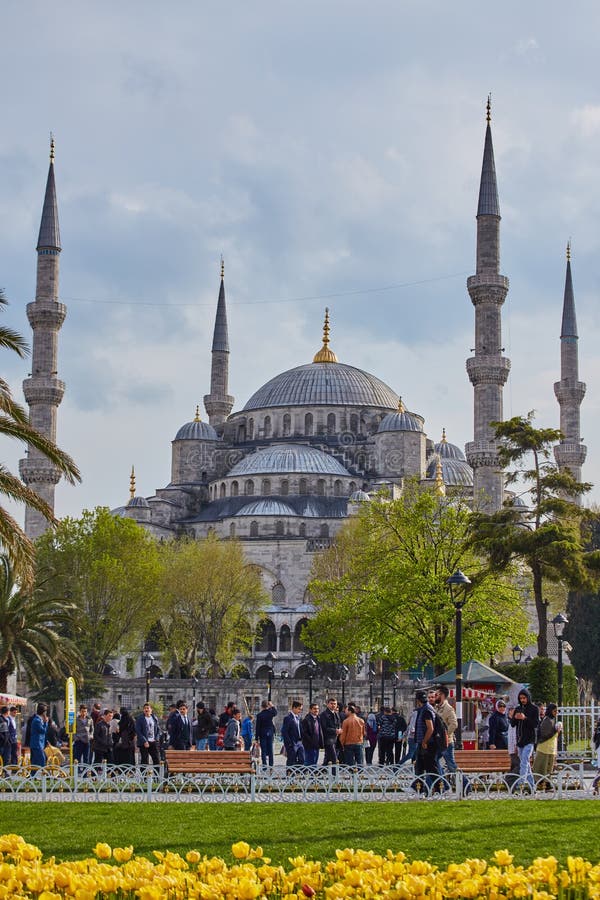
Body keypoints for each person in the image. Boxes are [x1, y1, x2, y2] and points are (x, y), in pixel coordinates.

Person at [509, 688, 540, 791]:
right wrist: (514, 717)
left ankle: (520, 785)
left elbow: (535, 724)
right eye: (521, 698)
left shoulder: (534, 709)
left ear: (528, 697)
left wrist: (525, 718)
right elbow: (513, 724)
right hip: (520, 741)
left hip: (529, 740)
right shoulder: (518, 708)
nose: (522, 700)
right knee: (525, 764)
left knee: (524, 762)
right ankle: (532, 786)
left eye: (524, 698)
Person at [532, 702, 562, 788]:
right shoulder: (547, 720)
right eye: (554, 711)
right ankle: (539, 783)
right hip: (544, 748)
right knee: (541, 767)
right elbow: (545, 735)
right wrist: (556, 731)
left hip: (551, 748)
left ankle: (547, 782)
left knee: (549, 767)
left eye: (557, 711)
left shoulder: (553, 719)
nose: (556, 713)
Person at [413, 690, 438, 792]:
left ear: (418, 701)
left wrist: (424, 741)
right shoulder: (424, 709)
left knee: (430, 767)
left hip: (427, 744)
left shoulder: (426, 710)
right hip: (423, 743)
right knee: (419, 767)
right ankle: (418, 788)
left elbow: (430, 728)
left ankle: (439, 788)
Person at [435, 685, 458, 773]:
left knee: (451, 766)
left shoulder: (448, 709)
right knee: (433, 761)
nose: (435, 696)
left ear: (442, 695)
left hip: (447, 742)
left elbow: (454, 724)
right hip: (439, 743)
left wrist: (444, 735)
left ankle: (466, 785)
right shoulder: (437, 708)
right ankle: (442, 783)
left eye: (437, 694)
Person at [135, 703, 161, 767]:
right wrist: (144, 741)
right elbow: (138, 731)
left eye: (148, 708)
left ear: (151, 710)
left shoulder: (154, 718)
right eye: (145, 708)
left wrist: (156, 739)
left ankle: (157, 776)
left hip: (153, 741)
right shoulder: (140, 718)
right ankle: (144, 776)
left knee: (156, 759)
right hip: (144, 742)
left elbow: (158, 729)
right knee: (144, 760)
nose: (146, 709)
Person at [320, 698, 341, 770]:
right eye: (331, 703)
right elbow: (324, 728)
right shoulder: (324, 714)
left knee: (327, 759)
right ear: (327, 704)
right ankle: (335, 777)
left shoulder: (336, 714)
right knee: (334, 759)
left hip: (336, 739)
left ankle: (319, 773)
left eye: (334, 704)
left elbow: (338, 724)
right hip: (328, 740)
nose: (333, 705)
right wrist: (335, 730)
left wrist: (339, 730)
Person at [281, 701, 305, 767]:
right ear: (294, 708)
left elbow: (301, 730)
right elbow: (284, 732)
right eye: (299, 709)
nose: (300, 711)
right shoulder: (288, 718)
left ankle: (297, 772)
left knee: (302, 759)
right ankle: (289, 775)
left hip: (300, 742)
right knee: (291, 760)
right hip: (292, 743)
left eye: (301, 709)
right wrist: (289, 743)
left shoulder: (299, 718)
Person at [255, 700, 278, 768]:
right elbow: (275, 712)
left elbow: (257, 727)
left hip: (262, 733)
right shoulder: (270, 713)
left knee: (263, 750)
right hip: (270, 733)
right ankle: (271, 765)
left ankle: (264, 765)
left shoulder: (259, 715)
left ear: (261, 706)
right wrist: (272, 705)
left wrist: (256, 738)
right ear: (267, 706)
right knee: (270, 750)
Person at [29, 704, 49, 769]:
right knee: (42, 760)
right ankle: (45, 775)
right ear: (43, 712)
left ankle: (32, 776)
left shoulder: (39, 720)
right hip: (37, 744)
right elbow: (43, 731)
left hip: (39, 743)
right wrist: (46, 723)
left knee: (35, 762)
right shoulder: (37, 720)